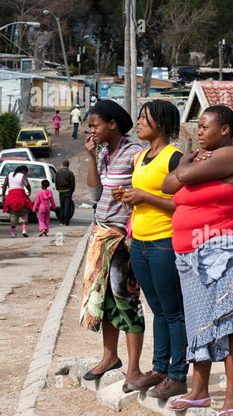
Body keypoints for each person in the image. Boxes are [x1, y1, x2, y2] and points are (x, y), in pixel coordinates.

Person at [162, 105, 233, 416]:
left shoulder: (232, 156)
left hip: (220, 251)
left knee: (229, 324)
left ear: (225, 130)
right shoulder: (205, 160)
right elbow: (167, 185)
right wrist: (189, 162)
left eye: (204, 127)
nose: (199, 132)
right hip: (190, 255)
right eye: (198, 127)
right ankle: (199, 392)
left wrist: (186, 162)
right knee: (200, 325)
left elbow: (181, 176)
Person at [113, 100, 188, 398]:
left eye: (145, 118)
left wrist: (144, 195)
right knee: (157, 309)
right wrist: (129, 196)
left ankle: (178, 374)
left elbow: (180, 205)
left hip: (164, 242)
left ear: (162, 123)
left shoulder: (176, 158)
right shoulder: (140, 157)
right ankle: (159, 369)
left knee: (173, 312)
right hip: (140, 243)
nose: (139, 122)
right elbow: (144, 198)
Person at [80, 100, 145, 387]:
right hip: (102, 235)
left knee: (127, 301)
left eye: (95, 125)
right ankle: (109, 357)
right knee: (105, 301)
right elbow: (95, 193)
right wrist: (92, 157)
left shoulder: (135, 154)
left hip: (123, 239)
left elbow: (145, 192)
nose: (91, 131)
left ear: (112, 124)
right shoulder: (106, 153)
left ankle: (134, 369)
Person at [2, 165, 32, 238]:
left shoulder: (9, 175)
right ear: (24, 171)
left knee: (13, 215)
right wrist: (29, 190)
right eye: (26, 172)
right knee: (24, 213)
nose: (26, 174)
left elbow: (4, 185)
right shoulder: (22, 175)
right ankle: (24, 231)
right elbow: (26, 184)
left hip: (11, 196)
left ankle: (13, 233)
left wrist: (3, 195)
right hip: (21, 196)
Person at [55, 160, 75, 226]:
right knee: (67, 207)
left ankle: (61, 221)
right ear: (68, 165)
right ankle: (66, 222)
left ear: (63, 164)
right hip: (68, 191)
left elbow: (56, 182)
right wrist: (72, 191)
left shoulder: (58, 172)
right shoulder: (70, 173)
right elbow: (73, 183)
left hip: (61, 192)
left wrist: (58, 189)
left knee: (62, 206)